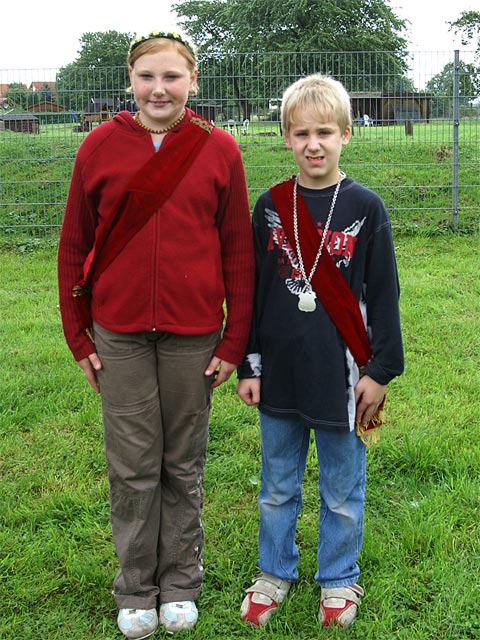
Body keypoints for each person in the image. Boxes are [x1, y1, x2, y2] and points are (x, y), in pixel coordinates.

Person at [58, 31, 255, 639]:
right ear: (131, 81)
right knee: (132, 464)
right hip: (117, 334)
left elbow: (238, 253)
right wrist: (80, 337)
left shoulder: (219, 149)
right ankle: (135, 587)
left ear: (193, 82)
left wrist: (231, 343)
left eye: (172, 76)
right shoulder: (98, 147)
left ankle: (180, 584)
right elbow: (72, 247)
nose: (159, 88)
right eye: (147, 77)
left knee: (182, 461)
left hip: (193, 335)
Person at [237, 74, 404, 630]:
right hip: (280, 374)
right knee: (277, 486)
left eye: (325, 132)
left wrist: (381, 371)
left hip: (344, 376)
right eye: (302, 132)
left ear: (347, 135)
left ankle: (338, 577)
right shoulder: (270, 206)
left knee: (341, 491)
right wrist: (248, 364)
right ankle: (274, 571)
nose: (314, 143)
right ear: (286, 137)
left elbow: (383, 296)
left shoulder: (365, 206)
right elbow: (255, 293)